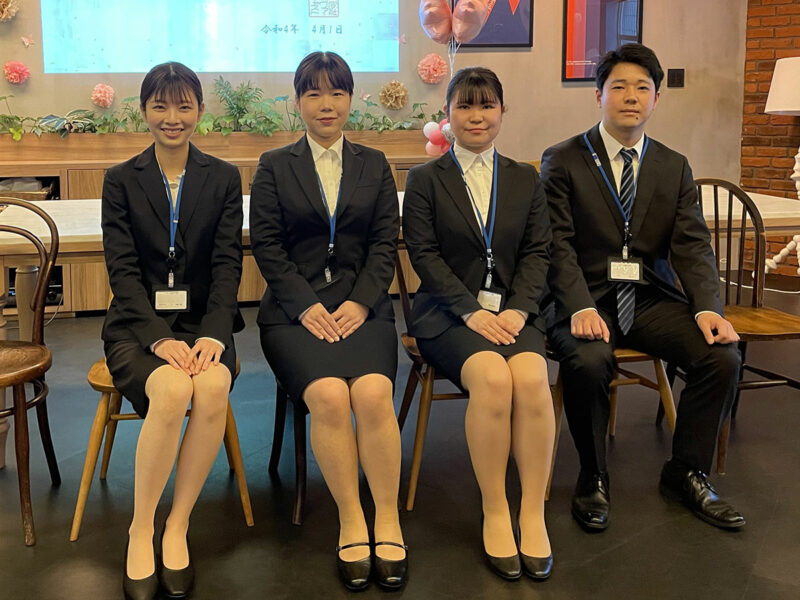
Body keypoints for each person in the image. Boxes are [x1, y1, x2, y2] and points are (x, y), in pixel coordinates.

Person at [540, 43, 744, 533]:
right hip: (585, 298)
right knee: (590, 360)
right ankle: (593, 475)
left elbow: (692, 246)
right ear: (598, 96)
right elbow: (555, 246)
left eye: (642, 88)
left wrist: (708, 309)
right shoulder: (563, 159)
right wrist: (578, 306)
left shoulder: (673, 166)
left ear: (656, 99)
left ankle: (686, 472)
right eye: (619, 87)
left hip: (649, 298)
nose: (631, 97)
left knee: (720, 356)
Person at [249, 51, 407, 591]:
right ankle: (351, 517)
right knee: (331, 397)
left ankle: (387, 517)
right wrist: (305, 304)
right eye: (314, 93)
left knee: (373, 394)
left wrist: (361, 302)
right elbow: (267, 246)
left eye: (337, 92)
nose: (326, 104)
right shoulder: (274, 165)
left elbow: (384, 243)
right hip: (295, 314)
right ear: (298, 101)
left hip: (363, 308)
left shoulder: (374, 163)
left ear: (350, 99)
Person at [403, 67, 555, 581]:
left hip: (513, 311)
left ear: (502, 111)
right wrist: (470, 310)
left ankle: (531, 512)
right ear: (447, 115)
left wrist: (519, 308)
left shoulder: (525, 178)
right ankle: (495, 508)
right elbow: (424, 256)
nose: (476, 116)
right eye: (465, 106)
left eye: (487, 105)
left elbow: (537, 252)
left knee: (531, 377)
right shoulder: (425, 180)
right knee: (492, 377)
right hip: (447, 314)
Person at [101, 62, 244, 600]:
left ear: (200, 111)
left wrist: (214, 335)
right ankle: (141, 529)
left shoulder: (223, 177)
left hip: (204, 326)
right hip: (138, 328)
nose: (172, 117)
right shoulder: (121, 180)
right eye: (160, 105)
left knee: (212, 384)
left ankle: (177, 524)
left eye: (184, 106)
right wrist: (158, 338)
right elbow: (122, 272)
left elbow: (228, 266)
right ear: (144, 111)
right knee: (170, 389)